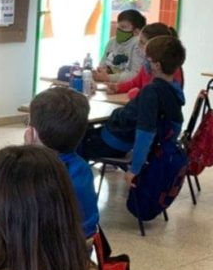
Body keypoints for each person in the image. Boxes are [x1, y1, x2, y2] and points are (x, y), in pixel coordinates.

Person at [0, 87, 99, 237]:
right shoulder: (84, 171)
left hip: (36, 258)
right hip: (79, 256)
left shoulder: (25, 178)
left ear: (31, 133)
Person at [80, 36, 187, 187]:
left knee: (73, 141)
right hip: (122, 139)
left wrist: (135, 169)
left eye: (147, 59)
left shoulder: (151, 93)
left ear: (156, 65)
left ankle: (76, 193)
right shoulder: (173, 91)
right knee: (84, 132)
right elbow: (174, 127)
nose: (144, 63)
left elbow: (145, 133)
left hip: (115, 142)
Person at [107, 23, 183, 100]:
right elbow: (135, 83)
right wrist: (118, 87)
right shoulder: (147, 63)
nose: (137, 46)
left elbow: (158, 96)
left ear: (154, 46)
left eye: (142, 42)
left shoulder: (169, 68)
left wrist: (136, 93)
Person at [94, 8, 147, 86]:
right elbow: (102, 65)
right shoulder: (111, 42)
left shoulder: (137, 44)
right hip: (107, 86)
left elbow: (135, 75)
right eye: (118, 26)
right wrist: (100, 72)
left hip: (126, 89)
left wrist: (108, 78)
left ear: (136, 31)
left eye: (123, 27)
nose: (118, 29)